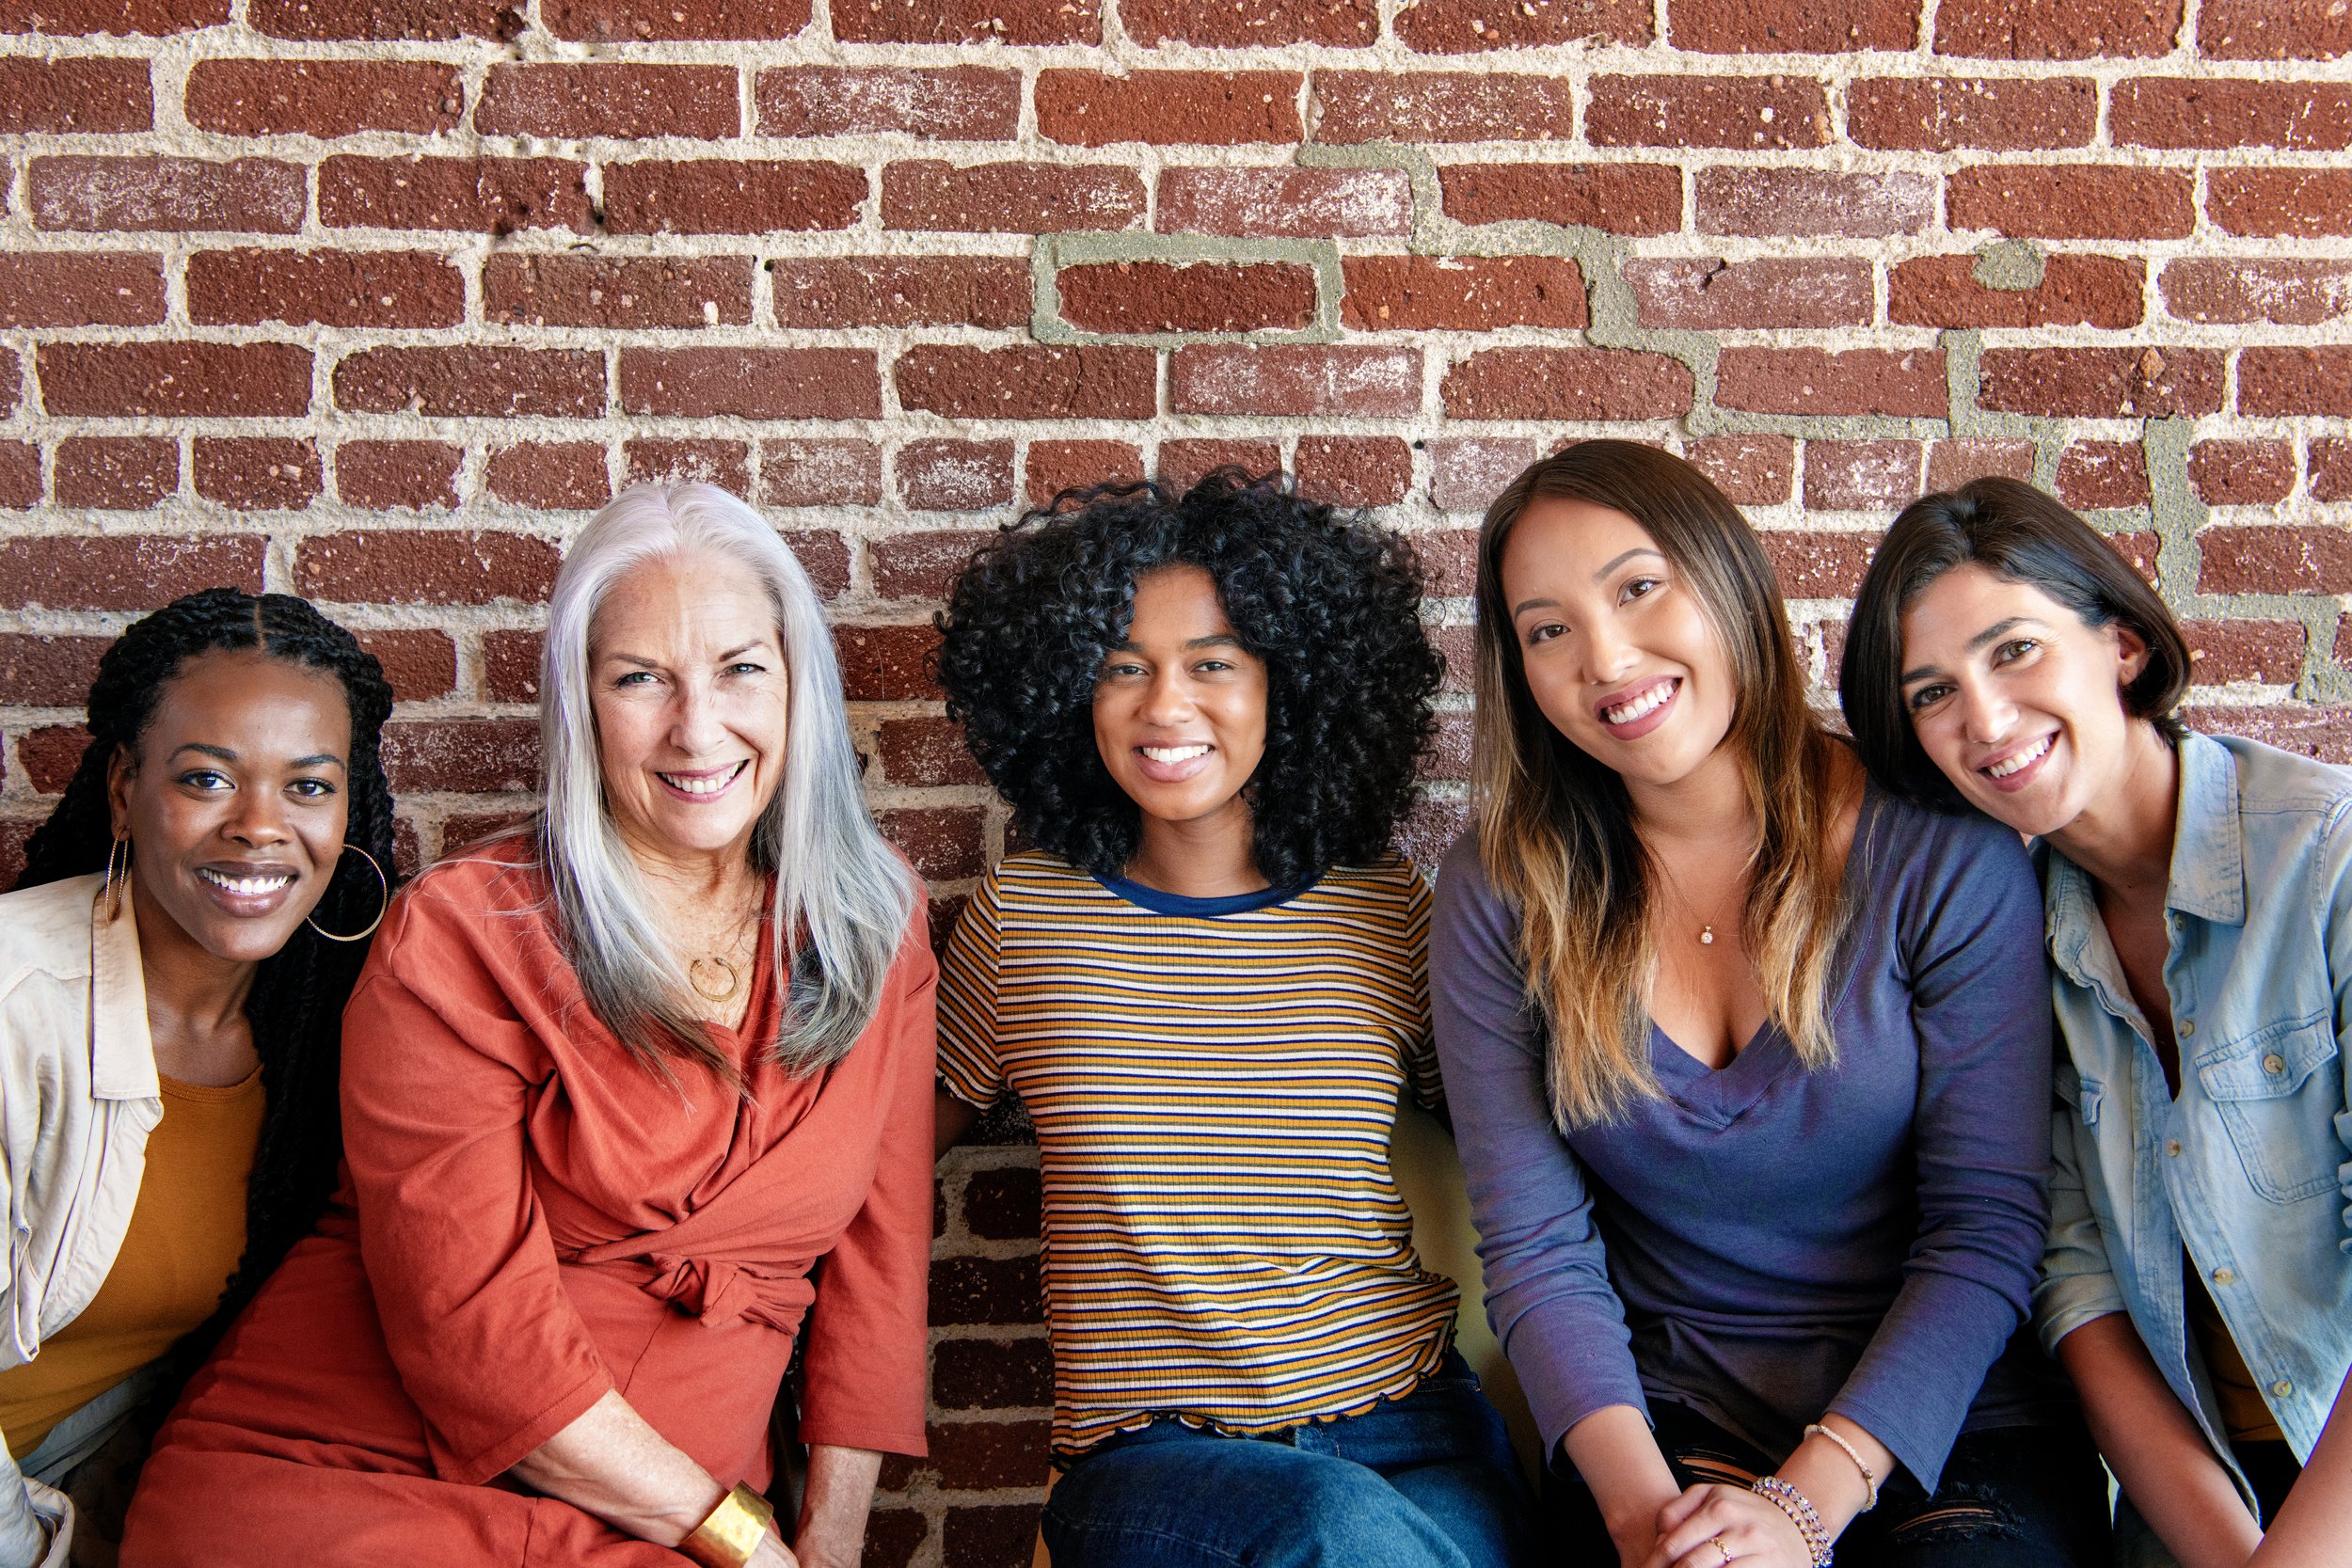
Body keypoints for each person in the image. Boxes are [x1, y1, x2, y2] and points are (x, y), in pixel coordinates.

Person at [121, 483, 937, 1568]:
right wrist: (747, 1542)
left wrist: (827, 1543)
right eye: (639, 678)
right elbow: (472, 1334)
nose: (699, 727)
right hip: (344, 1480)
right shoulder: (463, 934)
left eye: (741, 668)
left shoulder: (875, 922)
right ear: (579, 702)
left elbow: (879, 1273)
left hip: (671, 1524)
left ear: (799, 686)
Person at [1432, 441, 2110, 1568]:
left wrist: (1802, 1506)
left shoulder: (1936, 849)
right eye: (1546, 628)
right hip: (1661, 1434)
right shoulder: (1502, 890)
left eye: (1638, 586)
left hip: (1946, 1426)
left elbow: (1985, 1223)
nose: (1604, 656)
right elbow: (1536, 1247)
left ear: (1730, 580)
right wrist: (1653, 1523)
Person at [931, 469, 1536, 1568]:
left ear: (1287, 687)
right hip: (1151, 1462)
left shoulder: (1385, 905)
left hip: (1407, 1431)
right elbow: (874, 1163)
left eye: (1212, 663)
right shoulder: (1024, 916)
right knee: (1326, 1528)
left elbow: (1516, 1150)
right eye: (1124, 667)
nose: (1165, 705)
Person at [1839, 476, 2352, 1568]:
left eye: (2013, 649)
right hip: (2205, 1500)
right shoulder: (2008, 946)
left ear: (2119, 644)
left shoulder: (2329, 859)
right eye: (1931, 692)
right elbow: (2078, 1293)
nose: (1982, 718)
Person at [0, 589, 397, 1568]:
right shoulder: (16, 1002)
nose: (261, 827)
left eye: (307, 786)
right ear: (125, 785)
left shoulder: (327, 1034)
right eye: (208, 778)